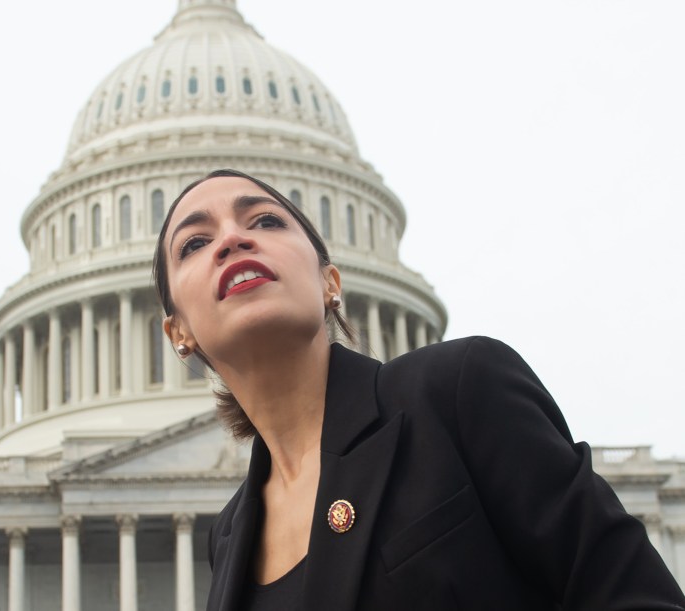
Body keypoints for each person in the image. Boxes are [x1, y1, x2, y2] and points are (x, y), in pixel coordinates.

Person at [152, 169, 685, 610]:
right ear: (179, 332)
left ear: (329, 283)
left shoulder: (458, 390)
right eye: (196, 242)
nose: (232, 239)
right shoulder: (226, 538)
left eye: (266, 220)